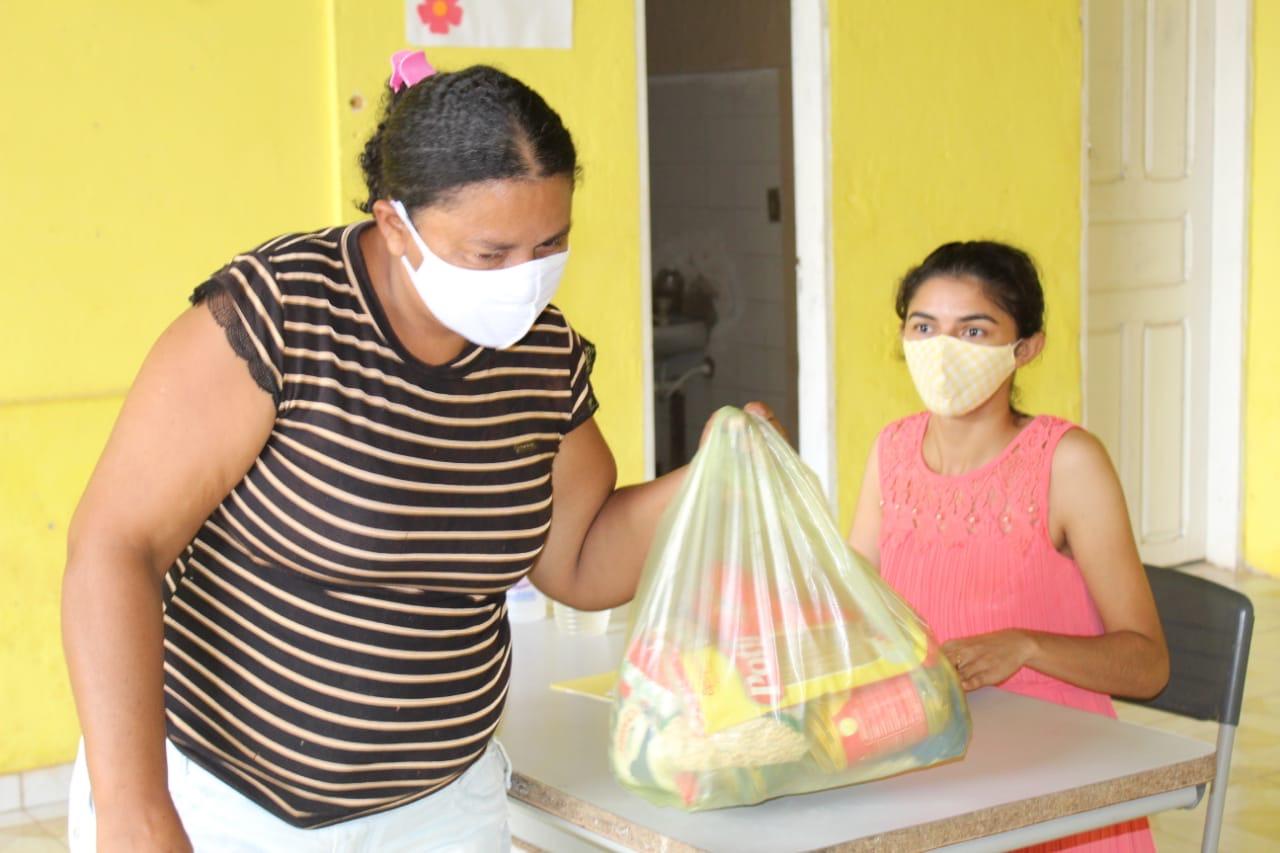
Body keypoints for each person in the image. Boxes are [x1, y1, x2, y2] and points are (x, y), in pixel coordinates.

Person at [61, 51, 780, 851]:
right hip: (226, 806)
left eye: (551, 244)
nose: (527, 278)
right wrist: (133, 809)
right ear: (396, 224)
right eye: (491, 253)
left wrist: (713, 471)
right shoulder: (280, 317)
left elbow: (576, 559)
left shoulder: (540, 356)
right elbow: (114, 548)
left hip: (435, 811)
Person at [848, 241, 1170, 852]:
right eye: (925, 327)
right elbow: (853, 612)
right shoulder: (890, 452)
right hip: (933, 777)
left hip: (1062, 793)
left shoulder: (1068, 464)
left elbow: (1149, 666)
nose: (944, 350)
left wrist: (1024, 647)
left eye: (974, 329)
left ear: (1025, 348)